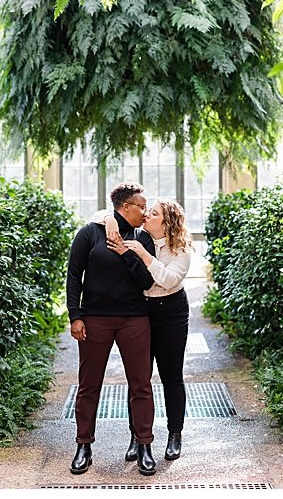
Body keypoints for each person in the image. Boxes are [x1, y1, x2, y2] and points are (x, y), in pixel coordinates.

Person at [66, 183, 158, 476]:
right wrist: (75, 316)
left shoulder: (143, 238)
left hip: (134, 319)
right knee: (89, 384)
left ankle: (144, 445)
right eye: (141, 206)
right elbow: (73, 276)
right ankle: (84, 446)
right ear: (125, 206)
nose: (145, 213)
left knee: (141, 385)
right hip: (95, 319)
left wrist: (126, 253)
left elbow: (147, 280)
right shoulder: (89, 233)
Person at [94, 198, 193, 462]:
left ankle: (175, 434)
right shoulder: (140, 236)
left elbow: (169, 280)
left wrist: (143, 254)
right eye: (147, 210)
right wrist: (110, 219)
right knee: (139, 378)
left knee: (172, 376)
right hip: (142, 311)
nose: (147, 214)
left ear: (167, 221)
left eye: (154, 212)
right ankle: (137, 437)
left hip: (172, 312)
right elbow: (101, 213)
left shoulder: (180, 249)